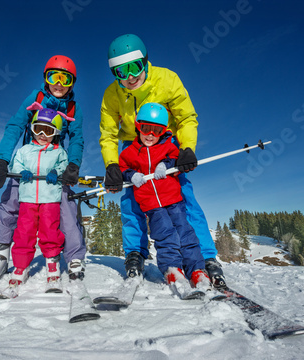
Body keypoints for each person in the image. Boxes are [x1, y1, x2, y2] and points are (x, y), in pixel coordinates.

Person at [100, 34, 226, 288]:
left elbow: (186, 117)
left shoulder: (167, 79)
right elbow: (108, 133)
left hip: (165, 145)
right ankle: (135, 253)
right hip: (133, 147)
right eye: (120, 72)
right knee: (132, 200)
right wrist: (113, 165)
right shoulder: (112, 94)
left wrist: (187, 148)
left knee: (181, 197)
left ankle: (206, 257)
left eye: (134, 67)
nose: (129, 77)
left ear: (145, 62)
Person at [0, 55, 86, 288]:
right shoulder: (35, 97)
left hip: (54, 167)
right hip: (27, 165)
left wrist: (72, 165)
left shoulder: (72, 107)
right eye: (53, 76)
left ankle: (74, 256)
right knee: (10, 202)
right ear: (45, 79)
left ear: (72, 83)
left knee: (66, 209)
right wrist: (2, 160)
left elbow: (76, 138)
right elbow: (16, 125)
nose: (58, 83)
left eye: (65, 79)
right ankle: (0, 255)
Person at [119, 103, 211, 292]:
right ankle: (172, 269)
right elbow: (121, 168)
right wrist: (131, 175)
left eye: (157, 130)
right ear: (138, 126)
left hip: (174, 200)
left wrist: (165, 164)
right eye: (146, 129)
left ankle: (196, 270)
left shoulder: (168, 147)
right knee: (165, 234)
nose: (150, 135)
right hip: (151, 204)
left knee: (185, 233)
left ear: (163, 131)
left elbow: (176, 158)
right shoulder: (130, 152)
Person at [9, 108, 68, 290]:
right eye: (38, 129)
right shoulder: (25, 150)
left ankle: (52, 262)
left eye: (48, 131)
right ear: (32, 129)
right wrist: (21, 172)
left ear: (55, 133)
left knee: (50, 230)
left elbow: (64, 165)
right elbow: (15, 164)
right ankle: (21, 265)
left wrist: (55, 172)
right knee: (24, 232)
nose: (42, 135)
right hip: (27, 198)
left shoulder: (59, 152)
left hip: (50, 198)